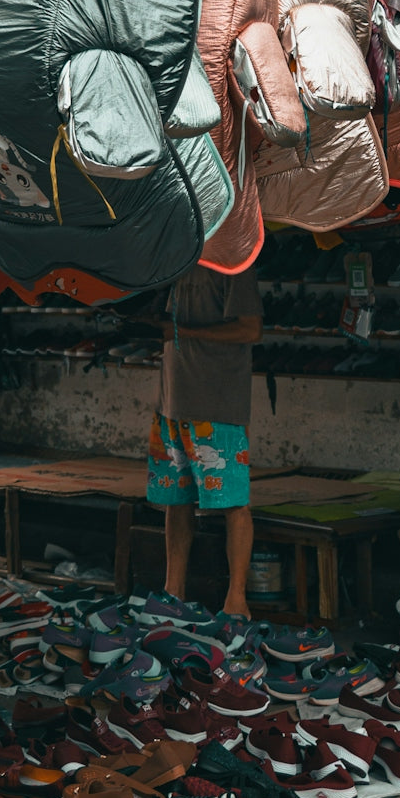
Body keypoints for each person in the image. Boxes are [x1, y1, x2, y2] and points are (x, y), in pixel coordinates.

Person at [146, 262, 263, 619]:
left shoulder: (235, 262)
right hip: (173, 401)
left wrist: (182, 331)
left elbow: (250, 329)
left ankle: (236, 601)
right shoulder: (179, 258)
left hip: (217, 406)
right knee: (176, 500)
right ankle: (173, 592)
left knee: (233, 502)